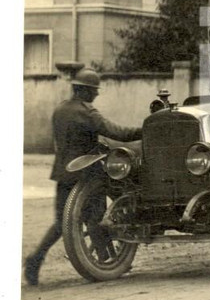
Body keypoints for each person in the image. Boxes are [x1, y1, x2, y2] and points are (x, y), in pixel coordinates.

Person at [23, 68, 143, 286]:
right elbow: (117, 132)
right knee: (97, 216)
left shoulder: (60, 110)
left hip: (62, 172)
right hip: (87, 174)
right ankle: (107, 262)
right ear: (87, 91)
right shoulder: (87, 112)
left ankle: (35, 259)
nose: (96, 95)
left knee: (62, 222)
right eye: (94, 91)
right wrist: (145, 130)